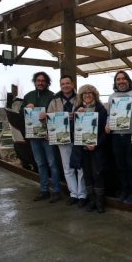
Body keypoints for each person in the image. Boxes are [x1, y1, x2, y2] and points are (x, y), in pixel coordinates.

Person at [48, 75, 87, 208]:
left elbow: (89, 112)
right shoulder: (54, 101)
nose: (65, 85)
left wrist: (80, 113)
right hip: (62, 137)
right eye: (63, 84)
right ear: (60, 86)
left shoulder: (80, 97)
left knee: (80, 166)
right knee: (67, 167)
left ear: (72, 84)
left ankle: (82, 194)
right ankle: (74, 194)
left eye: (68, 83)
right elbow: (49, 118)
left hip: (79, 136)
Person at [21, 71, 61, 203]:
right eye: (38, 80)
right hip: (34, 137)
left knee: (52, 164)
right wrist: (26, 108)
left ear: (47, 82)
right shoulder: (28, 96)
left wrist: (48, 115)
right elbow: (21, 113)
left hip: (48, 137)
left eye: (43, 80)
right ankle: (44, 190)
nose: (40, 83)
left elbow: (58, 114)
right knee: (40, 164)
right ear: (35, 82)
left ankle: (56, 190)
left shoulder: (52, 96)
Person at [105, 71, 132, 204]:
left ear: (128, 80)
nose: (120, 81)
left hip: (131, 135)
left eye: (123, 79)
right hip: (116, 136)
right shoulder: (112, 96)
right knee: (120, 165)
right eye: (118, 79)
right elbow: (109, 114)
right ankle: (124, 190)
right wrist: (107, 125)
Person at [70, 85, 108, 213]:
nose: (87, 95)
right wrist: (76, 116)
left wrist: (96, 144)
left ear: (94, 94)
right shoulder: (77, 109)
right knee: (87, 174)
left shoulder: (101, 109)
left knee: (97, 174)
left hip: (97, 148)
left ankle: (100, 202)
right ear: (81, 96)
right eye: (84, 93)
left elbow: (105, 131)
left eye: (90, 93)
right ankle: (92, 201)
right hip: (83, 148)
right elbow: (72, 130)